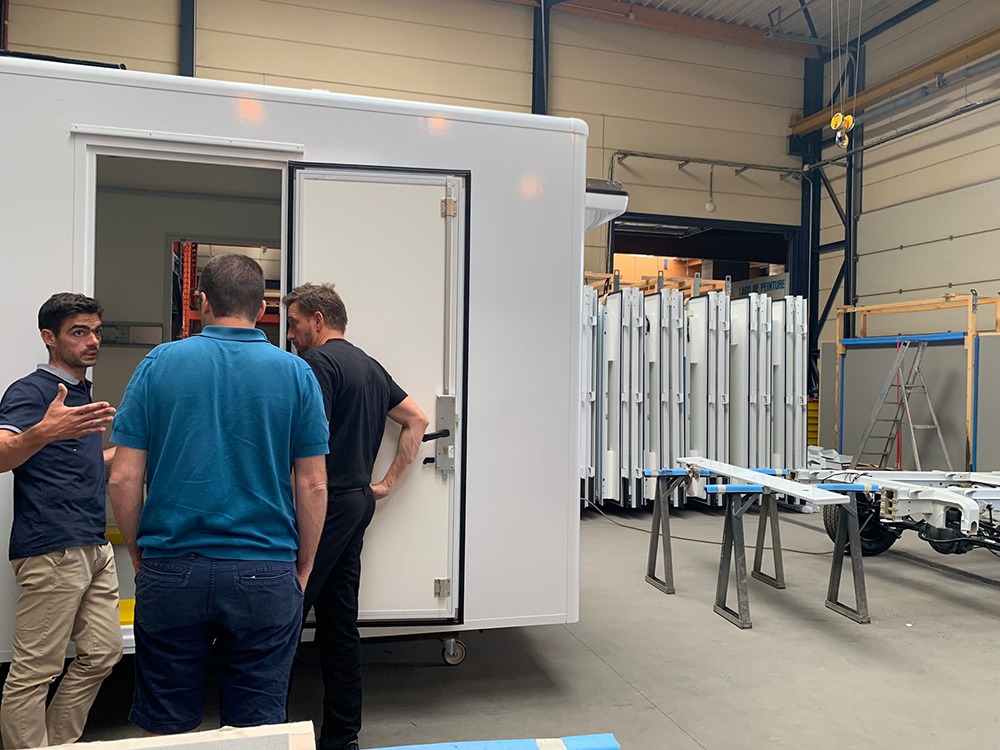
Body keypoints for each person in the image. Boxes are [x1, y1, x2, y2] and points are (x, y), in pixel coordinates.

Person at [108, 254, 330, 735]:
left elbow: (122, 478)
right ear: (262, 308)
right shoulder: (296, 374)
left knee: (167, 728)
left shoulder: (159, 364)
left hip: (172, 566)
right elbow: (313, 484)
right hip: (265, 569)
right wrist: (304, 567)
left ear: (203, 301)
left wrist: (143, 558)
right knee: (256, 730)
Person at [283, 283, 429, 750]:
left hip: (323, 505)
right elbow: (418, 420)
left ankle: (268, 730)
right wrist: (384, 484)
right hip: (356, 503)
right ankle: (343, 738)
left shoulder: (317, 365)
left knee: (284, 616)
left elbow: (308, 450)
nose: (291, 335)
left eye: (295, 324)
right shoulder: (369, 366)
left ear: (318, 320)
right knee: (339, 624)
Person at [0, 293, 122, 749]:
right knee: (35, 671)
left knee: (104, 653)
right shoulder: (32, 392)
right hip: (52, 548)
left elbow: (74, 464)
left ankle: (55, 744)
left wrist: (133, 453)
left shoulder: (81, 394)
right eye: (79, 332)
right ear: (49, 338)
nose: (93, 341)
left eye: (96, 332)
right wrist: (42, 431)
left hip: (93, 546)